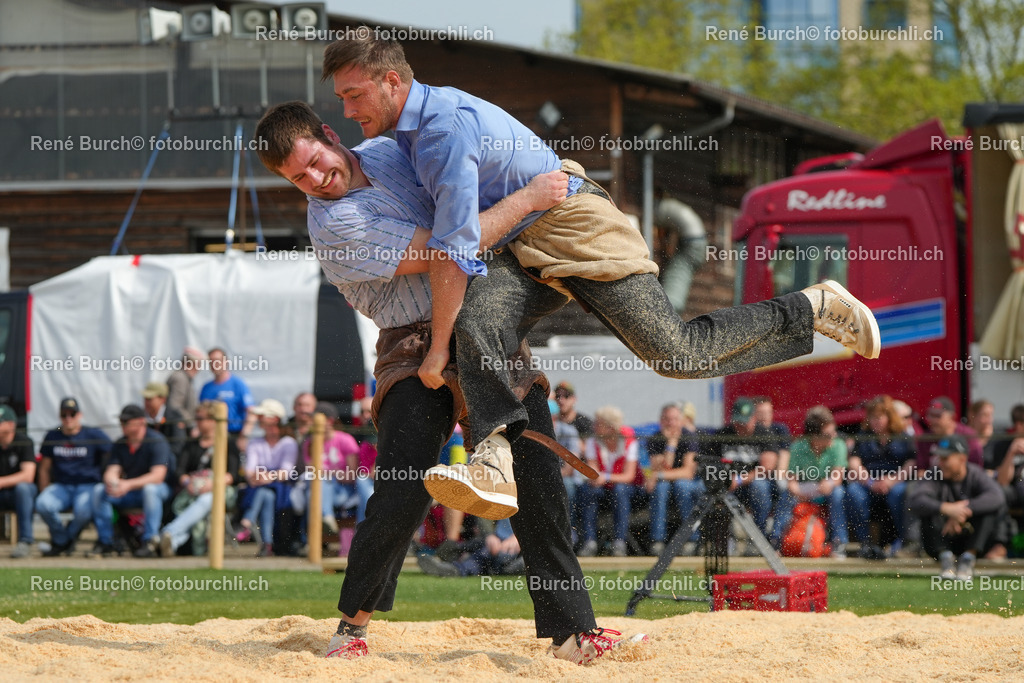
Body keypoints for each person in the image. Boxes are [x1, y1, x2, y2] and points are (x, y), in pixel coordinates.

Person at [321, 36, 881, 521]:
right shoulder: (405, 136)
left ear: (392, 81)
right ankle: (492, 460)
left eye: (354, 95)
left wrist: (435, 352)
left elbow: (457, 249)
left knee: (676, 354)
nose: (348, 110)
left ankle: (812, 307)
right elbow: (459, 245)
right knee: (478, 313)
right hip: (523, 238)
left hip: (571, 222)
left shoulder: (439, 131)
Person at [254, 104, 643, 664]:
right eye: (299, 178)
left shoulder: (394, 150)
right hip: (412, 347)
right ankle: (351, 627)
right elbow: (447, 247)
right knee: (404, 488)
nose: (316, 180)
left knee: (536, 477)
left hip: (483, 324)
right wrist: (531, 198)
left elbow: (467, 186)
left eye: (315, 162)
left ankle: (572, 633)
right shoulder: (334, 222)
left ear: (330, 137)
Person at [909, 434, 1006, 580]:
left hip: (971, 538)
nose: (940, 463)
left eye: (945, 458)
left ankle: (968, 558)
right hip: (943, 539)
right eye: (939, 458)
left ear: (962, 459)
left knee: (989, 510)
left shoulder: (975, 474)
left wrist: (964, 509)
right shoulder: (935, 473)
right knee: (929, 510)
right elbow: (915, 500)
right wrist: (947, 509)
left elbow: (997, 497)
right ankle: (946, 559)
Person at [158, 400, 241, 557]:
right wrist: (188, 482)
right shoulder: (192, 444)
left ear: (212, 420)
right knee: (198, 504)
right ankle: (172, 543)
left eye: (201, 418)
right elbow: (180, 470)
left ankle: (167, 532)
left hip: (222, 491)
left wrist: (213, 484)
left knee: (207, 499)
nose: (197, 422)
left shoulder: (228, 443)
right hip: (192, 491)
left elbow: (233, 474)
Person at [771, 406, 855, 559]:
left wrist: (828, 484)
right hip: (804, 491)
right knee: (787, 495)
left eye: (833, 431)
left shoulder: (838, 445)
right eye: (828, 434)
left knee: (838, 493)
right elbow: (792, 480)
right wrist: (797, 490)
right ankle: (776, 540)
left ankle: (839, 543)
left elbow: (837, 477)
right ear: (814, 436)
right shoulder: (798, 446)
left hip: (827, 490)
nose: (834, 436)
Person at [91, 404, 173, 558]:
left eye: (126, 421)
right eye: (122, 421)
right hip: (130, 491)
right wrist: (114, 482)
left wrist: (127, 484)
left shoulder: (156, 441)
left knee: (150, 490)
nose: (122, 424)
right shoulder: (121, 443)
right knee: (99, 490)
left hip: (158, 490)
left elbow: (158, 476)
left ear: (141, 421)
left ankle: (149, 541)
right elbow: (112, 469)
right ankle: (107, 541)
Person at [36, 397, 112, 556]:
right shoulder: (53, 435)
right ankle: (62, 539)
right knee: (43, 504)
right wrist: (44, 489)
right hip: (62, 486)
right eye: (64, 415)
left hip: (87, 485)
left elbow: (113, 453)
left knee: (83, 511)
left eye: (72, 414)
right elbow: (44, 468)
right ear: (60, 416)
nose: (68, 418)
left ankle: (64, 541)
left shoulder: (93, 434)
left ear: (80, 415)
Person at [845, 395, 916, 557]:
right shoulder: (863, 436)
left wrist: (892, 481)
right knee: (853, 492)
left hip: (895, 482)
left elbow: (911, 463)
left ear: (889, 417)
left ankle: (901, 542)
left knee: (899, 493)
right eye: (872, 417)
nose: (875, 421)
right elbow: (854, 462)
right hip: (869, 483)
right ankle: (865, 543)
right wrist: (870, 482)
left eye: (879, 417)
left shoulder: (903, 436)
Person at [706, 397, 777, 546]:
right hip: (727, 485)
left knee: (760, 487)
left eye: (744, 423)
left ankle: (759, 539)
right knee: (705, 489)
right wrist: (723, 479)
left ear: (754, 418)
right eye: (737, 422)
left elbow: (766, 467)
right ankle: (719, 540)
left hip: (752, 485)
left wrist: (738, 480)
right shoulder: (722, 435)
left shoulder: (764, 434)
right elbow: (709, 463)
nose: (740, 427)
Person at [236, 398, 297, 557]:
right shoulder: (256, 443)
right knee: (267, 495)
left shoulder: (288, 442)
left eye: (262, 416)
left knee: (266, 493)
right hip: (262, 486)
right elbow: (249, 471)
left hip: (279, 488)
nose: (258, 419)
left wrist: (265, 477)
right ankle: (266, 543)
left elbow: (287, 472)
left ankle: (248, 521)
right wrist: (260, 477)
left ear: (274, 419)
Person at [578, 406, 639, 558]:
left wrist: (604, 477)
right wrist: (596, 477)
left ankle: (619, 541)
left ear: (610, 427)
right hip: (604, 488)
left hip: (629, 489)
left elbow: (629, 476)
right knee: (589, 490)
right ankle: (589, 541)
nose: (594, 426)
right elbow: (592, 471)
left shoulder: (629, 441)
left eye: (598, 423)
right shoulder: (593, 441)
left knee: (620, 489)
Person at [645, 402, 702, 557]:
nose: (671, 423)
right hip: (666, 483)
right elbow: (662, 467)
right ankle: (657, 541)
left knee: (682, 486)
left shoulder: (689, 437)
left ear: (681, 420)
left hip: (687, 483)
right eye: (667, 419)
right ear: (661, 420)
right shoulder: (655, 438)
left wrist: (660, 475)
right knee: (660, 488)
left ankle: (691, 539)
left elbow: (688, 473)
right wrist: (671, 445)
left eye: (675, 419)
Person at [418, 517, 524, 577]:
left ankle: (457, 555)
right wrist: (489, 535)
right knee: (481, 555)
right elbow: (485, 513)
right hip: (495, 542)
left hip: (523, 549)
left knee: (511, 564)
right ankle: (455, 569)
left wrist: (521, 537)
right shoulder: (506, 487)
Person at [0, 405, 36, 558]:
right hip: (2, 494)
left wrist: (1, 481)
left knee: (23, 488)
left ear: (11, 425)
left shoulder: (24, 441)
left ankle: (25, 541)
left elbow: (28, 475)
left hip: (19, 494)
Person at [198, 347, 255, 437]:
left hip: (234, 435)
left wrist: (244, 435)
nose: (215, 364)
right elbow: (200, 414)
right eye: (211, 362)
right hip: (211, 436)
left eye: (218, 361)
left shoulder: (238, 384)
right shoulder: (206, 388)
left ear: (226, 362)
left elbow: (251, 412)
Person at [916, 397, 984, 470]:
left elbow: (976, 467)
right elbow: (921, 470)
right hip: (934, 479)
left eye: (938, 416)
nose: (933, 420)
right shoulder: (925, 439)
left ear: (952, 417)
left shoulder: (968, 435)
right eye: (931, 415)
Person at [142, 381, 188, 460]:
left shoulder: (175, 417)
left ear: (162, 399)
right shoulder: (141, 417)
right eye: (145, 398)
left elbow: (178, 445)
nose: (146, 402)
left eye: (150, 399)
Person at [166, 346, 205, 433]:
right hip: (179, 428)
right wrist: (191, 424)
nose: (199, 369)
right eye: (198, 365)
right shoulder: (180, 378)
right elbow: (175, 405)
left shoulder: (184, 378)